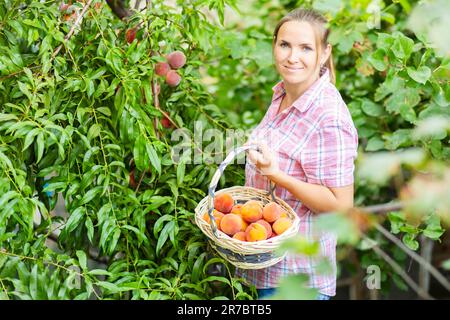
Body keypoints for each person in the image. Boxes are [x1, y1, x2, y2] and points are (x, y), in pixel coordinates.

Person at [237, 8, 359, 300]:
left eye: (305, 47)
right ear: (274, 46)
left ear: (324, 53)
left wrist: (278, 175)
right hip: (263, 269)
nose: (292, 57)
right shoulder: (284, 94)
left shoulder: (328, 116)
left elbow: (341, 207)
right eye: (285, 45)